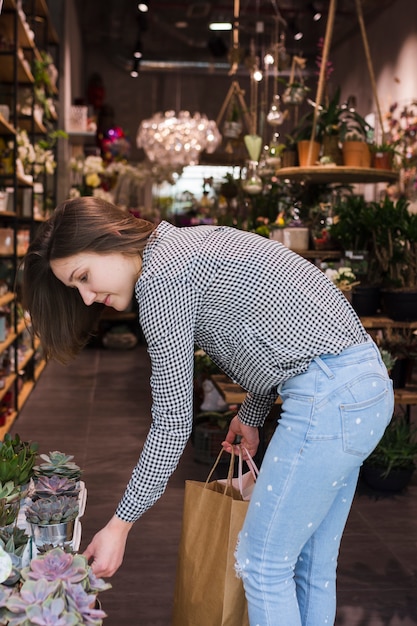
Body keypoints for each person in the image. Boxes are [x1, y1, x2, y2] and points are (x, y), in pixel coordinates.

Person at [22, 196, 394, 626]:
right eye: (75, 289)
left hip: (327, 397)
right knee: (311, 564)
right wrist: (252, 414)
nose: (86, 298)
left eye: (84, 277)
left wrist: (119, 525)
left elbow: (173, 421)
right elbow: (277, 332)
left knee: (262, 564)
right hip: (358, 388)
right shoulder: (184, 248)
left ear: (111, 238)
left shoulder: (161, 274)